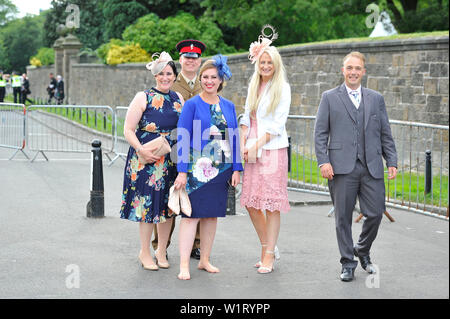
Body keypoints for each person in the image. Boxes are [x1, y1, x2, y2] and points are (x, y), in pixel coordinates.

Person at [314, 51, 398, 282]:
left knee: (375, 213)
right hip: (340, 168)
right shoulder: (329, 97)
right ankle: (347, 263)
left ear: (363, 71)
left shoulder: (376, 98)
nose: (353, 72)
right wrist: (324, 161)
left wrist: (391, 160)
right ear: (343, 71)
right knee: (342, 217)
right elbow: (320, 133)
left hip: (371, 165)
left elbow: (385, 133)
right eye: (349, 68)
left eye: (357, 68)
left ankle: (361, 249)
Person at [174, 55, 242, 280]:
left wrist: (236, 169)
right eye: (205, 77)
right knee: (190, 216)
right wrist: (182, 171)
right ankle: (184, 264)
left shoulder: (229, 106)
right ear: (201, 79)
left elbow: (234, 138)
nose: (209, 81)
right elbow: (182, 137)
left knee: (211, 216)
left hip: (221, 170)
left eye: (214, 77)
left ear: (221, 80)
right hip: (196, 170)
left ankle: (204, 260)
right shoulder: (192, 105)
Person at [120, 51, 184, 271]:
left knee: (168, 208)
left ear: (175, 76)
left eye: (169, 73)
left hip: (170, 160)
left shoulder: (179, 99)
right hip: (146, 160)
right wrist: (141, 150)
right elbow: (128, 129)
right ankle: (145, 252)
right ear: (155, 76)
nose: (165, 78)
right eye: (161, 74)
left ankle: (162, 250)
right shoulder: (143, 97)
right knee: (146, 208)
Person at [239, 25, 291, 274]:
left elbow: (277, 125)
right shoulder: (254, 86)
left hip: (272, 150)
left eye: (270, 62)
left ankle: (268, 254)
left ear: (276, 64)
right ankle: (269, 245)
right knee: (251, 202)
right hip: (252, 150)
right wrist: (242, 144)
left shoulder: (283, 88)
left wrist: (256, 144)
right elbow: (248, 117)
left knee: (271, 205)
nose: (266, 66)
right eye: (262, 62)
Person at [151, 39, 206, 261]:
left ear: (199, 60)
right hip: (174, 148)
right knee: (169, 199)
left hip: (200, 149)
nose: (190, 61)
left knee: (198, 197)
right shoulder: (170, 81)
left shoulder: (208, 81)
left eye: (194, 58)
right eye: (186, 58)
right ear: (180, 60)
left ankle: (197, 244)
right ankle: (160, 245)